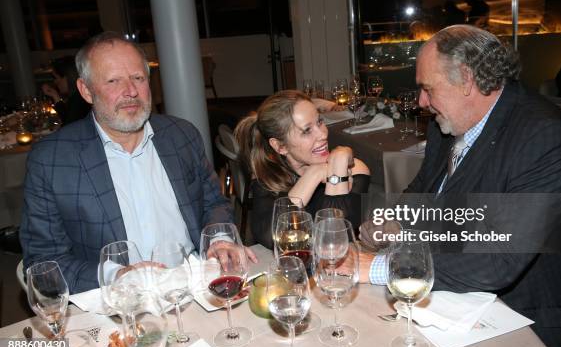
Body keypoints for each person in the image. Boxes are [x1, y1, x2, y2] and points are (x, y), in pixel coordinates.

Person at [357, 25, 561, 347]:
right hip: (457, 297)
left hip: (532, 317)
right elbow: (424, 191)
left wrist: (377, 266)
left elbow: (497, 260)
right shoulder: (448, 122)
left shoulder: (547, 137)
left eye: (428, 88)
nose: (421, 102)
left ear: (467, 79)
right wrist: (393, 222)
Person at [20, 32, 254, 293]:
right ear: (86, 91)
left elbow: (213, 203)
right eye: (113, 81)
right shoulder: (52, 161)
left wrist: (219, 239)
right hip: (117, 305)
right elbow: (43, 262)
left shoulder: (181, 135)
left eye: (138, 78)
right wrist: (116, 275)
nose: (130, 92)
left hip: (195, 287)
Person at [235, 90, 370, 249]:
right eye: (307, 131)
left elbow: (333, 243)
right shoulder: (268, 179)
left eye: (320, 122)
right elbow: (271, 237)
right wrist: (314, 174)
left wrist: (338, 166)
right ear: (280, 146)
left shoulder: (354, 168)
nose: (323, 134)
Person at [40, 56, 91, 125]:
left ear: (67, 78)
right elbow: (67, 117)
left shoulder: (79, 100)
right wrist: (55, 96)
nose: (55, 82)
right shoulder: (78, 96)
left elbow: (69, 126)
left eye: (56, 77)